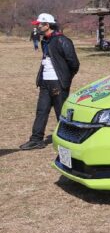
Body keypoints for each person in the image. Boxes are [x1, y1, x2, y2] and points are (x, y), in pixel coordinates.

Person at [20, 13, 80, 150]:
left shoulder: (62, 40)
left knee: (61, 113)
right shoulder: (45, 41)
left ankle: (67, 141)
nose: (37, 27)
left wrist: (66, 78)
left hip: (58, 83)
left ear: (47, 25)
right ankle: (36, 140)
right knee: (41, 111)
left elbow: (74, 63)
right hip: (45, 83)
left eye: (39, 24)